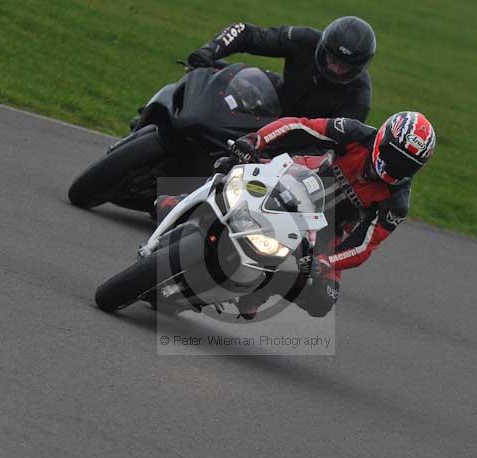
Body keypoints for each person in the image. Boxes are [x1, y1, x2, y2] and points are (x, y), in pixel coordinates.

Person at [221, 110, 437, 319]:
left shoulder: (396, 201)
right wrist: (256, 140)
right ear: (382, 138)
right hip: (291, 182)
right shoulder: (355, 133)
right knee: (227, 168)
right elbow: (299, 125)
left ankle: (264, 287)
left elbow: (363, 246)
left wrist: (325, 261)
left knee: (323, 299)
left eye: (406, 165)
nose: (395, 165)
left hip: (325, 228)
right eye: (393, 155)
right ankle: (196, 200)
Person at [187, 16, 377, 121]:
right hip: (272, 106)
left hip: (298, 147)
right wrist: (209, 51)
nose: (335, 68)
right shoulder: (305, 40)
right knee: (223, 74)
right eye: (332, 59)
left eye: (344, 66)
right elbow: (247, 33)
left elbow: (336, 144)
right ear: (323, 47)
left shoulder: (359, 98)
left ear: (357, 68)